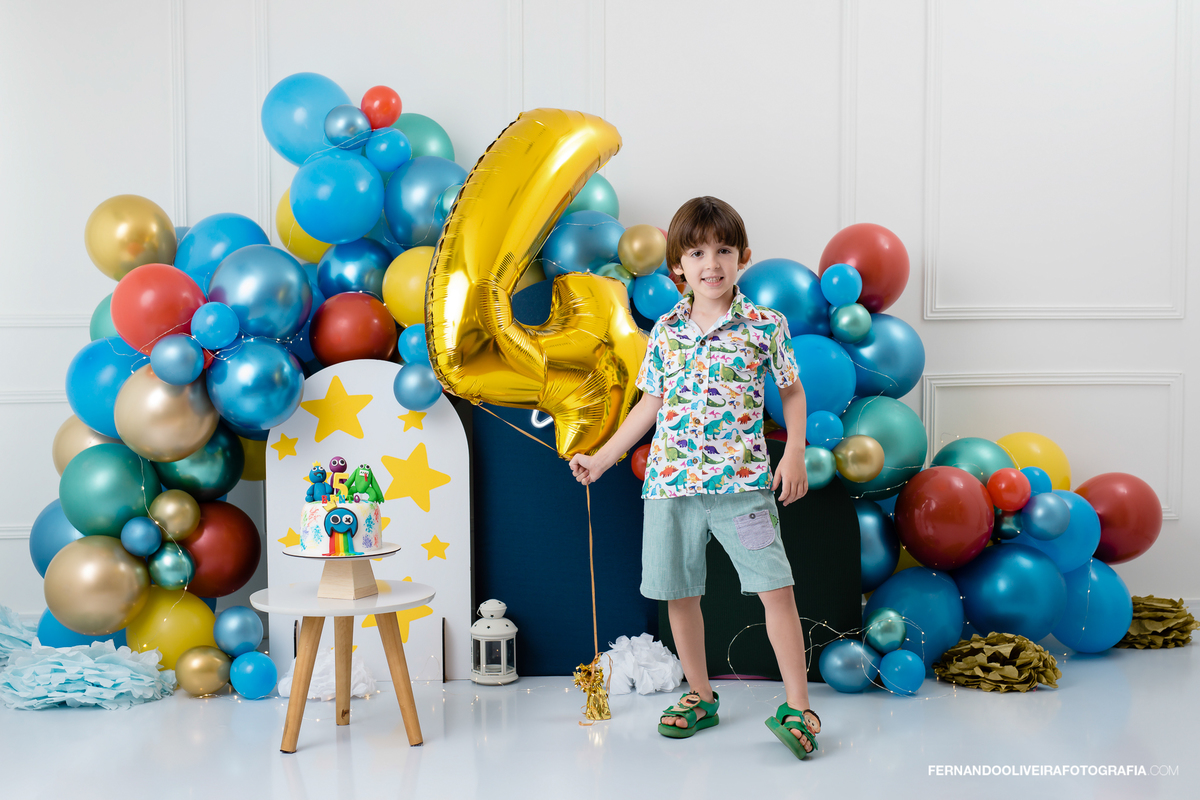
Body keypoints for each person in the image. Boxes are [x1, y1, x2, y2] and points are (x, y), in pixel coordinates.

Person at [569, 196, 820, 759]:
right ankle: (700, 695)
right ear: (678, 266)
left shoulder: (765, 325)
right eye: (698, 252)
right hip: (670, 487)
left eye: (724, 250)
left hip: (743, 487)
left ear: (743, 257)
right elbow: (648, 405)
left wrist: (796, 450)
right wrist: (604, 457)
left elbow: (792, 390)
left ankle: (801, 707)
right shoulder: (665, 331)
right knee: (679, 594)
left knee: (775, 590)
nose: (712, 263)